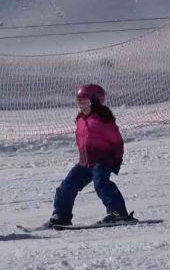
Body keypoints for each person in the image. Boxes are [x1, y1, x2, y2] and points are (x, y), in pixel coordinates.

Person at [46, 84, 135, 227]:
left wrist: (116, 160)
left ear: (95, 101)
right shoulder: (81, 119)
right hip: (84, 162)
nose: (81, 106)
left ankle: (118, 213)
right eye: (79, 102)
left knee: (102, 184)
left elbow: (117, 141)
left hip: (101, 160)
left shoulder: (103, 119)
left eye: (85, 102)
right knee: (67, 187)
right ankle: (61, 215)